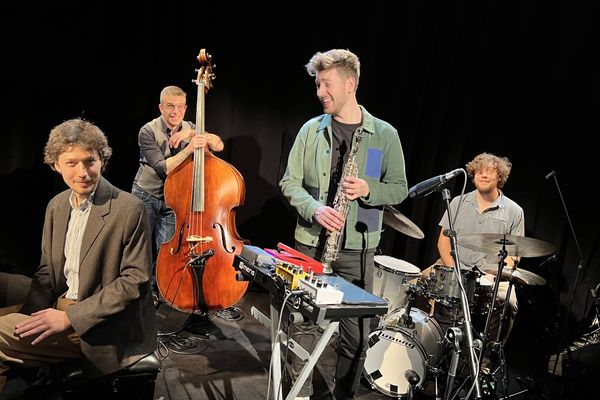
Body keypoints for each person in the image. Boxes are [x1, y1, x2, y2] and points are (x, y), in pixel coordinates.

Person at [279, 49, 408, 400]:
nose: (320, 91)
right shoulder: (310, 130)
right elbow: (289, 183)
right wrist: (315, 209)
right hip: (309, 243)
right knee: (297, 328)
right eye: (318, 84)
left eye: (326, 84)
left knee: (357, 339)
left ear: (349, 84)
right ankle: (298, 394)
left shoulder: (384, 135)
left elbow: (399, 190)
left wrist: (369, 189)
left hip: (357, 252)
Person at [0, 118, 157, 394]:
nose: (82, 172)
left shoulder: (129, 208)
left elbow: (135, 281)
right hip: (59, 304)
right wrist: (33, 315)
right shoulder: (56, 206)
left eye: (90, 161)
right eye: (71, 163)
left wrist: (70, 318)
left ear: (102, 162)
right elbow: (48, 271)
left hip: (101, 324)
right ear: (55, 165)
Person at [131, 85, 224, 300]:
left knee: (166, 248)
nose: (176, 112)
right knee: (142, 248)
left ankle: (158, 290)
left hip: (175, 199)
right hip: (147, 194)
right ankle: (140, 294)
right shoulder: (147, 131)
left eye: (180, 107)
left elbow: (218, 145)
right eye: (170, 106)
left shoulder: (190, 127)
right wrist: (190, 148)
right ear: (161, 107)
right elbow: (163, 168)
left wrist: (193, 132)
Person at [435, 152, 523, 373]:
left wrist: (494, 273)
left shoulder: (514, 211)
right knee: (418, 282)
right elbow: (443, 243)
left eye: (490, 171)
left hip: (491, 274)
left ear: (500, 177)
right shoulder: (458, 202)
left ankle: (486, 359)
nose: (483, 174)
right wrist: (453, 269)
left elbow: (515, 254)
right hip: (455, 266)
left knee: (508, 302)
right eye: (479, 170)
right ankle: (429, 347)